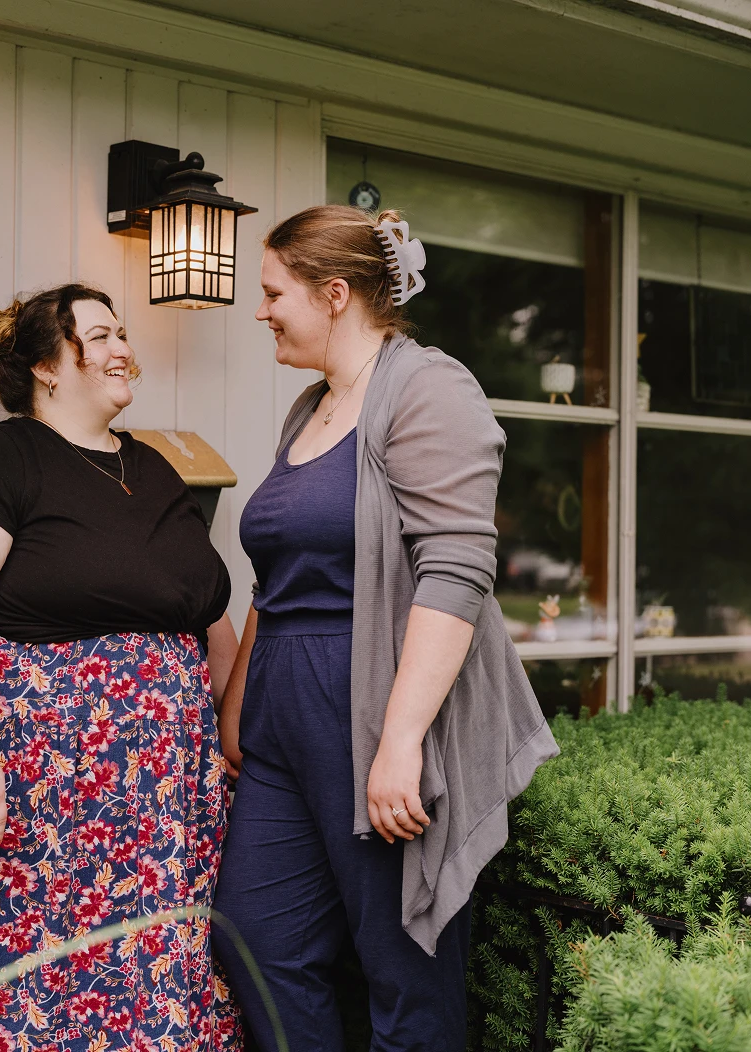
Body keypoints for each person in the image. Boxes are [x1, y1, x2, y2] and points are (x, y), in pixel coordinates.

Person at [213, 207, 559, 1052]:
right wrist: (238, 703)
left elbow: (457, 570)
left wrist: (400, 741)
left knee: (404, 973)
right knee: (255, 939)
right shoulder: (310, 409)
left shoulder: (428, 388)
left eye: (274, 293)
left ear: (334, 294)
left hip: (368, 706)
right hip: (282, 721)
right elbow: (278, 577)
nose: (261, 311)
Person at [0, 283, 243, 1051]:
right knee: (26, 983)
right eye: (101, 335)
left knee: (144, 976)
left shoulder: (153, 469)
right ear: (47, 366)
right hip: (34, 798)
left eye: (123, 333)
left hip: (154, 807)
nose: (124, 350)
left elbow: (202, 608)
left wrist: (230, 732)